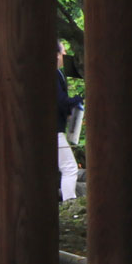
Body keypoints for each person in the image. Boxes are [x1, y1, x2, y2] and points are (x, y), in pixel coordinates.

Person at [56, 42, 83, 201]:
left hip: (53, 128)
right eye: (63, 52)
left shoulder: (57, 74)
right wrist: (77, 100)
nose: (65, 55)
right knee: (70, 168)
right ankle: (69, 201)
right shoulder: (54, 74)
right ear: (56, 54)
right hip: (55, 130)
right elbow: (60, 101)